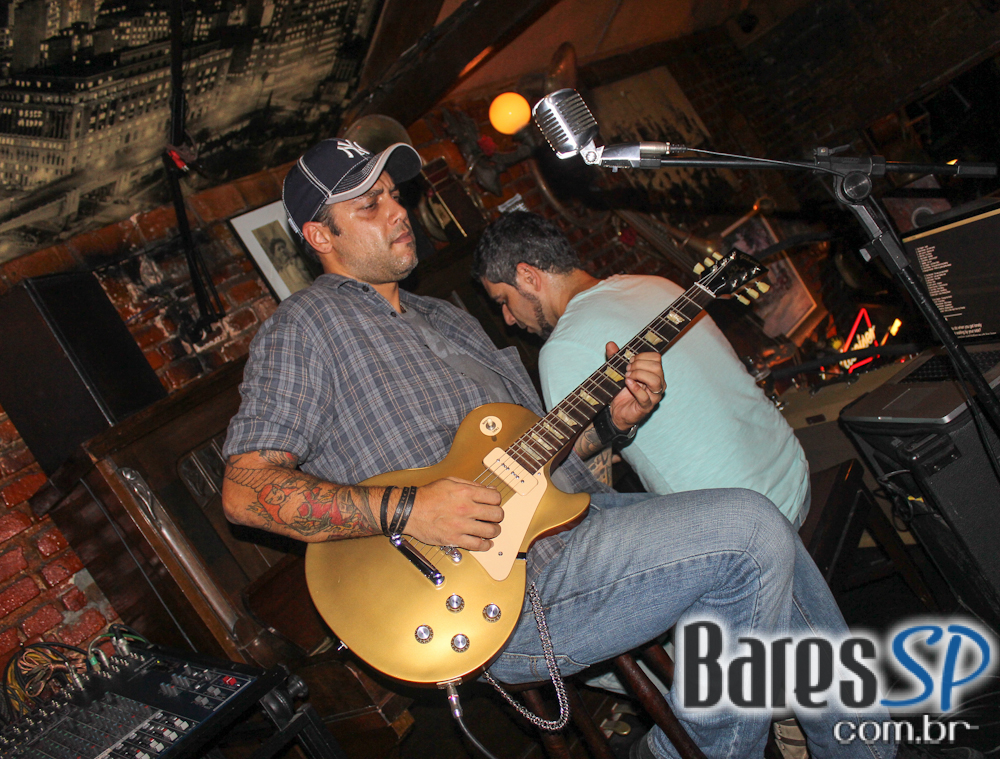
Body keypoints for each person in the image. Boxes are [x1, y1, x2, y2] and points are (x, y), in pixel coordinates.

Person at [221, 138, 894, 759]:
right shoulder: (306, 327)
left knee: (764, 525)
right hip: (494, 590)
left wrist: (612, 424)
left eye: (395, 194)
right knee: (750, 533)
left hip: (582, 524)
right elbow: (247, 489)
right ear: (320, 236)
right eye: (370, 204)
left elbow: (544, 458)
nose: (397, 209)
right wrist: (409, 508)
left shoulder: (448, 316)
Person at [472, 210, 811, 526]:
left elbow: (586, 487)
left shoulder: (561, 349)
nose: (508, 319)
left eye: (504, 301)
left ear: (528, 276)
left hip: (743, 522)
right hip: (792, 469)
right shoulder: (656, 283)